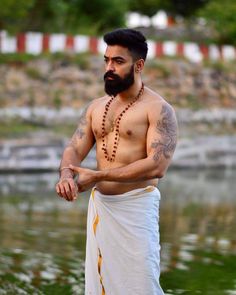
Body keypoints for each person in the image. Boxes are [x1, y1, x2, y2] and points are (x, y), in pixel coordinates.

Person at [56, 28, 178, 295]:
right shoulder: (96, 106)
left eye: (118, 61)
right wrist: (66, 174)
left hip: (137, 209)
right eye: (107, 60)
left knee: (142, 286)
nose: (109, 68)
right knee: (100, 285)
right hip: (101, 208)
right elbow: (74, 148)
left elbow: (157, 165)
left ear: (139, 65)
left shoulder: (158, 109)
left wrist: (97, 176)